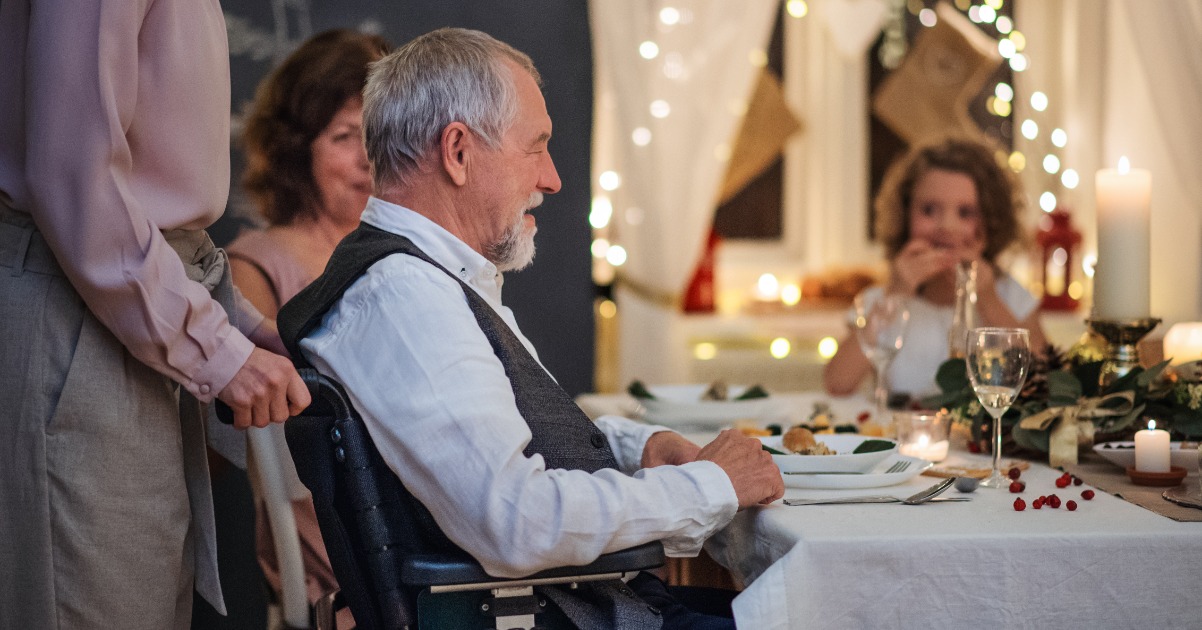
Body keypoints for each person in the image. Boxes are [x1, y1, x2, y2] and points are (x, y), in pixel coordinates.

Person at [277, 27, 783, 629]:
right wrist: (709, 485)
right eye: (535, 147)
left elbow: (500, 455)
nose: (552, 178)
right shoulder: (408, 300)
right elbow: (518, 521)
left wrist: (635, 450)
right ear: (458, 152)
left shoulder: (426, 280)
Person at [0, 4, 311, 629]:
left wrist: (235, 321)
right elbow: (76, 180)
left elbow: (149, 204)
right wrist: (213, 348)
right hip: (77, 317)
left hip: (120, 310)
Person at [227, 28, 390, 616]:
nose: (370, 157)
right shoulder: (255, 266)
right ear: (299, 149)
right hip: (347, 554)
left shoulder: (404, 253)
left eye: (377, 132)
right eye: (347, 136)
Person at [823, 136, 1047, 401]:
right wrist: (896, 294)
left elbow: (1044, 379)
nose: (947, 226)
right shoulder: (881, 300)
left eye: (965, 213)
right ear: (905, 216)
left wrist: (987, 299)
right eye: (929, 210)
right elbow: (837, 383)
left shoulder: (1009, 296)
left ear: (992, 222)